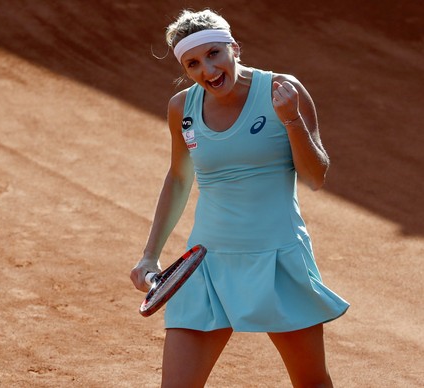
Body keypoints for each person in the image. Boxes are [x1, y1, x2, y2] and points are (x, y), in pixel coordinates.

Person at [130, 9, 349, 388]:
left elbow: (316, 176)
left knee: (311, 381)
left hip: (277, 261)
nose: (207, 70)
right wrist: (149, 254)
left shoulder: (283, 90)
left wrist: (292, 120)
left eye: (214, 54)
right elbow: (179, 178)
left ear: (234, 47)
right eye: (193, 63)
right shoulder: (182, 108)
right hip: (205, 265)